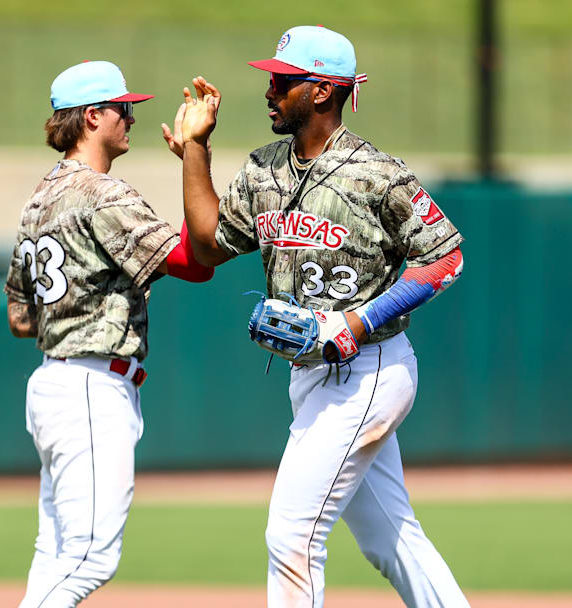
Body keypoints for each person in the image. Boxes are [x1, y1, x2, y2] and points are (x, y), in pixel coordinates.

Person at [164, 25, 471, 607]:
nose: (269, 90)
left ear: (323, 91)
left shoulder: (376, 173)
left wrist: (357, 323)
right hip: (311, 376)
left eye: (283, 80)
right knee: (392, 539)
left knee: (291, 534)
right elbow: (207, 245)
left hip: (369, 370)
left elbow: (445, 256)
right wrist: (197, 149)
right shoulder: (263, 170)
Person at [5, 60, 213, 608]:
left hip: (52, 384)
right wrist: (196, 157)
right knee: (93, 554)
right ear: (93, 116)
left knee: (55, 551)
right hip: (92, 389)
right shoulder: (102, 194)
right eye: (123, 109)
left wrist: (95, 292)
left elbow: (20, 318)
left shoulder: (37, 200)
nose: (131, 118)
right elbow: (196, 262)